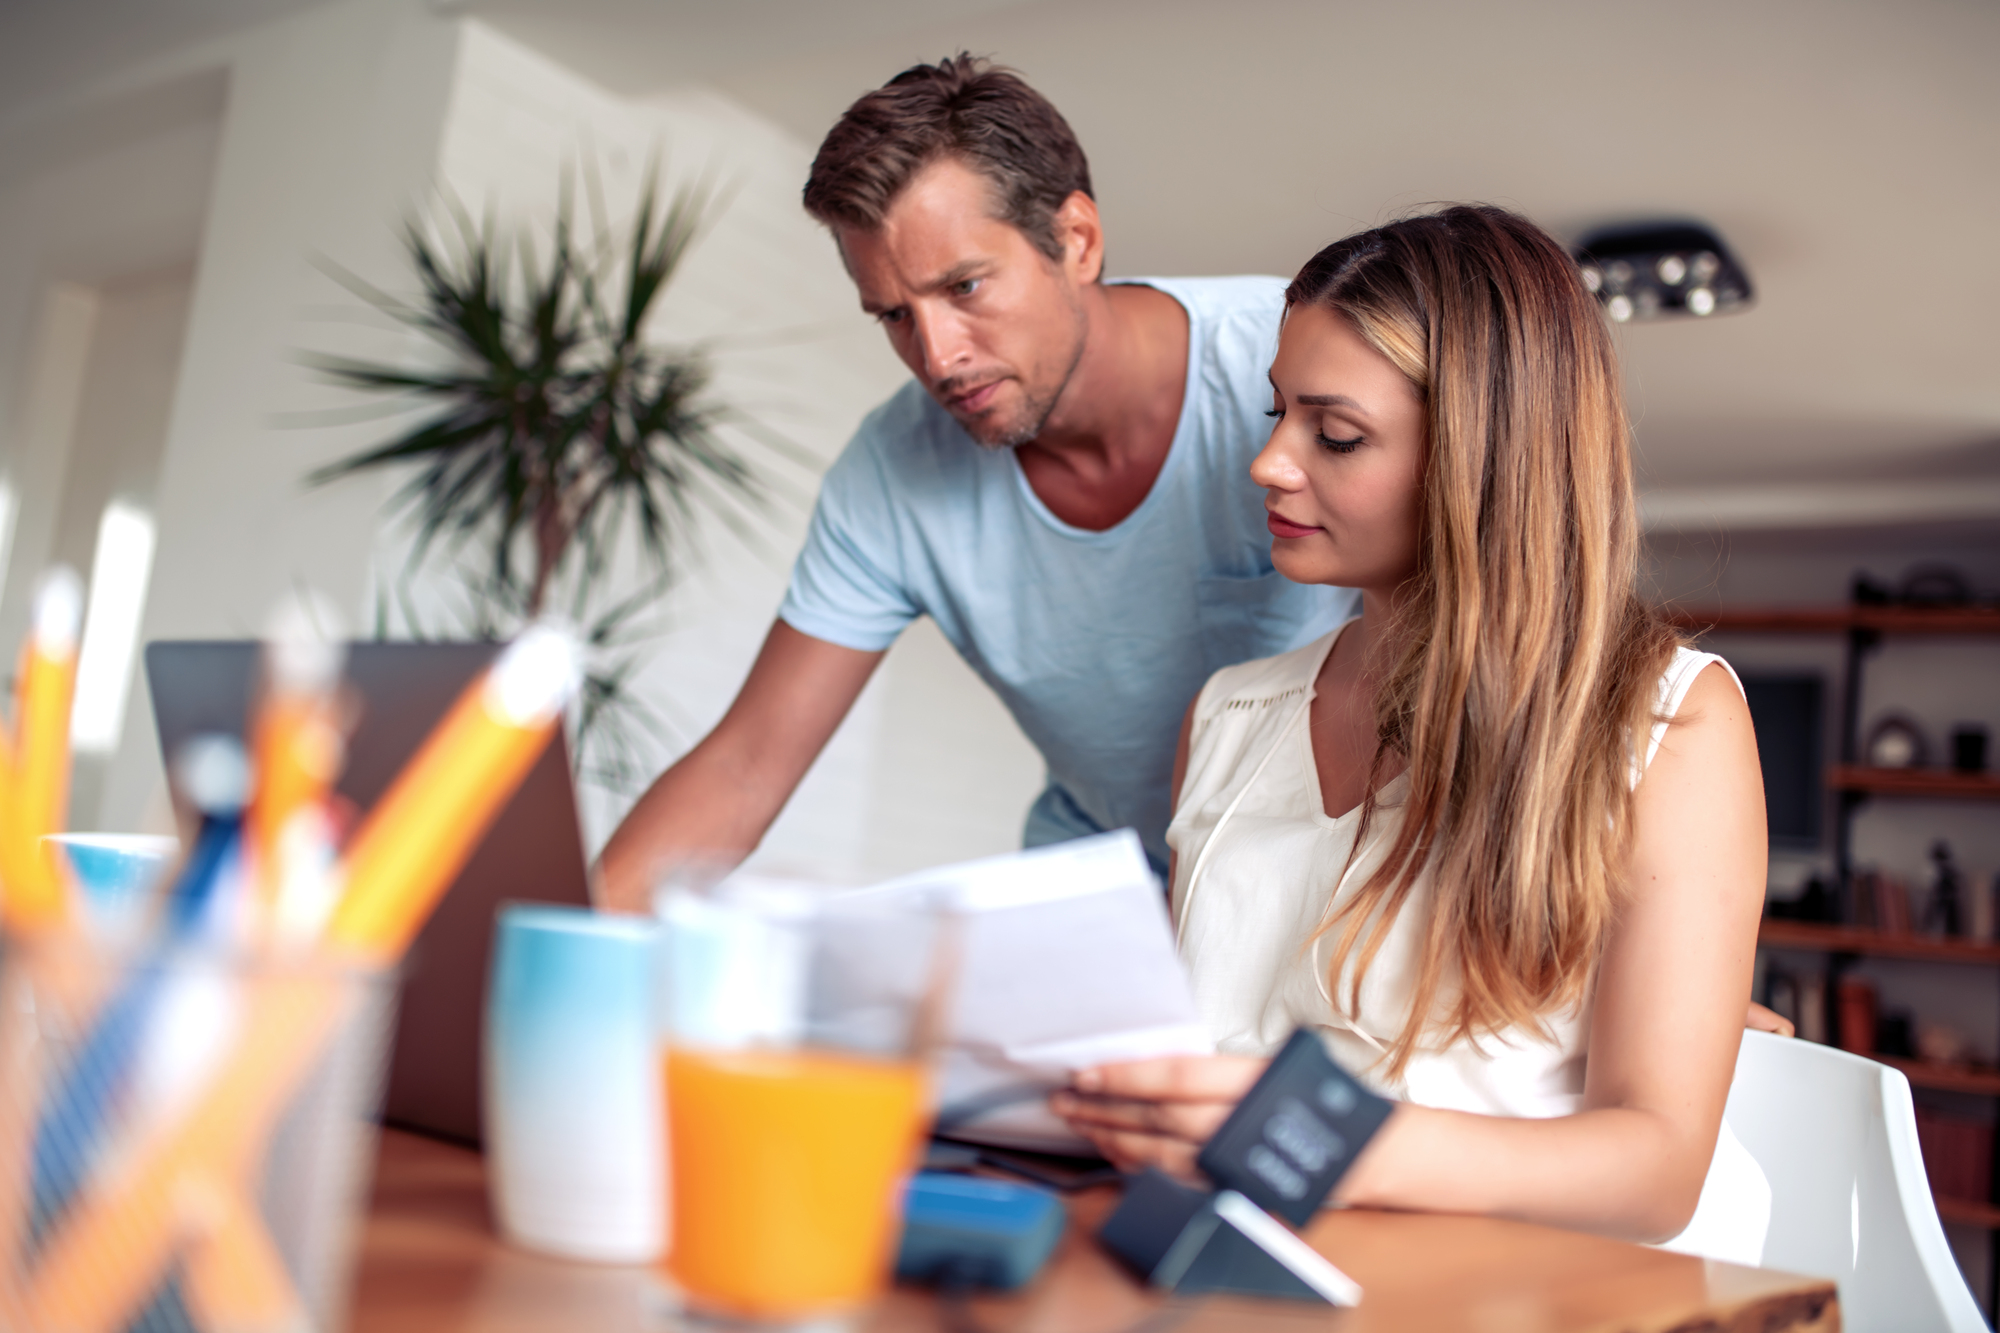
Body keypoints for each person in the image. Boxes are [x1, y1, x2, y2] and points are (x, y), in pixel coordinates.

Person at [1050, 206, 1774, 1262]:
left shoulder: (1670, 722)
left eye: (1333, 433)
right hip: (1219, 1277)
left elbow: (1655, 1170)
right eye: (1275, 414)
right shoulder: (1227, 717)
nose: (1268, 463)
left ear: (1481, 459)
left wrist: (1313, 1138)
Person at [596, 56, 1352, 909]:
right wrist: (547, 958)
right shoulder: (891, 474)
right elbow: (744, 765)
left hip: (1330, 867)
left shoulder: (1293, 370)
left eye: (964, 286)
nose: (938, 356)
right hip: (1111, 883)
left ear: (1077, 240)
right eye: (894, 314)